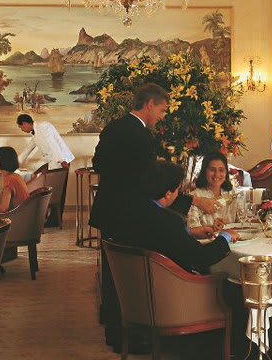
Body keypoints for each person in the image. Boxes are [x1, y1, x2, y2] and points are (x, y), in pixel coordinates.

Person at [89, 83, 218, 353]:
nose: (163, 116)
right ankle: (136, 337)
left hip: (108, 210)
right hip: (129, 213)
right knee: (134, 275)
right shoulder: (140, 136)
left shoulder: (114, 127)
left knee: (115, 275)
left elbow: (99, 163)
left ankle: (116, 334)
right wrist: (194, 200)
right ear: (149, 105)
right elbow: (150, 185)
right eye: (162, 109)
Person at [116, 160, 240, 273]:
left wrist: (190, 232)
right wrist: (226, 235)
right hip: (174, 287)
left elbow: (162, 239)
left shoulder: (130, 212)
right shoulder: (168, 220)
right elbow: (201, 258)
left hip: (139, 281)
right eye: (178, 190)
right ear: (168, 193)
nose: (178, 195)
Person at [188, 152, 239, 231]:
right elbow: (194, 230)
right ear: (204, 171)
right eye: (212, 170)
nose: (217, 174)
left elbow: (242, 221)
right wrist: (212, 229)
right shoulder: (194, 196)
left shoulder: (232, 193)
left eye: (221, 170)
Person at [0, 146, 29, 213]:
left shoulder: (9, 179)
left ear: (3, 160)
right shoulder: (16, 176)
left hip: (18, 218)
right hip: (25, 214)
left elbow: (4, 207)